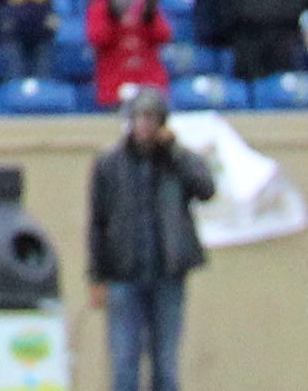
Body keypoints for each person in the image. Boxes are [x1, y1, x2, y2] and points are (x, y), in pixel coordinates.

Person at [86, 87, 215, 391]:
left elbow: (206, 189)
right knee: (124, 365)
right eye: (139, 118)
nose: (144, 125)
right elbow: (98, 223)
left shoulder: (176, 160)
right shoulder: (109, 164)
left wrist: (175, 153)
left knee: (165, 365)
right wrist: (97, 276)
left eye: (151, 118)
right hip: (123, 274)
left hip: (167, 273)